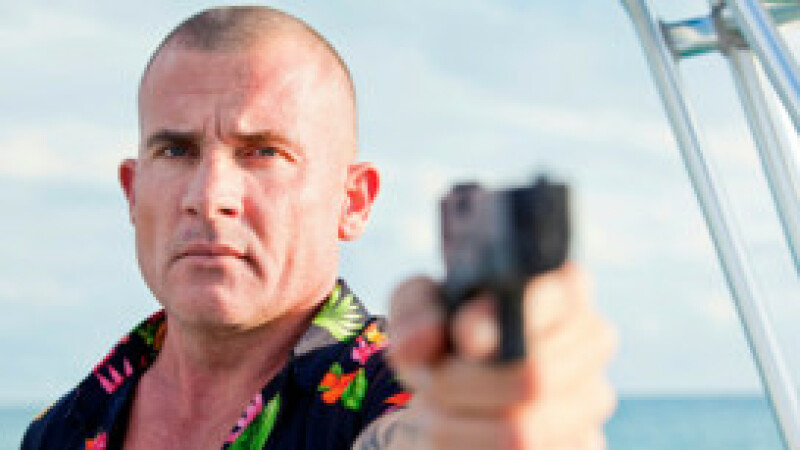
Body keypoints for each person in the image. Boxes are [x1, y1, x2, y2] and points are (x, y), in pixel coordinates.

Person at [21, 5, 617, 450]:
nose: (208, 197)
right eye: (176, 151)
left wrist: (493, 410)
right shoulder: (62, 428)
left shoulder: (399, 393)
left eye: (264, 152)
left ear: (352, 201)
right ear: (132, 191)